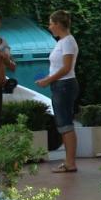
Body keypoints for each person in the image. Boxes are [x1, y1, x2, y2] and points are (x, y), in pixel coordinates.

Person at [36, 9, 79, 174]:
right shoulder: (62, 42)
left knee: (65, 123)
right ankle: (69, 161)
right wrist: (49, 77)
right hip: (61, 84)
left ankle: (70, 163)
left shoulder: (67, 42)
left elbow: (66, 68)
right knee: (64, 123)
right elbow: (59, 67)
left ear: (59, 24)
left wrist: (48, 80)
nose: (49, 27)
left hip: (64, 85)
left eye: (51, 23)